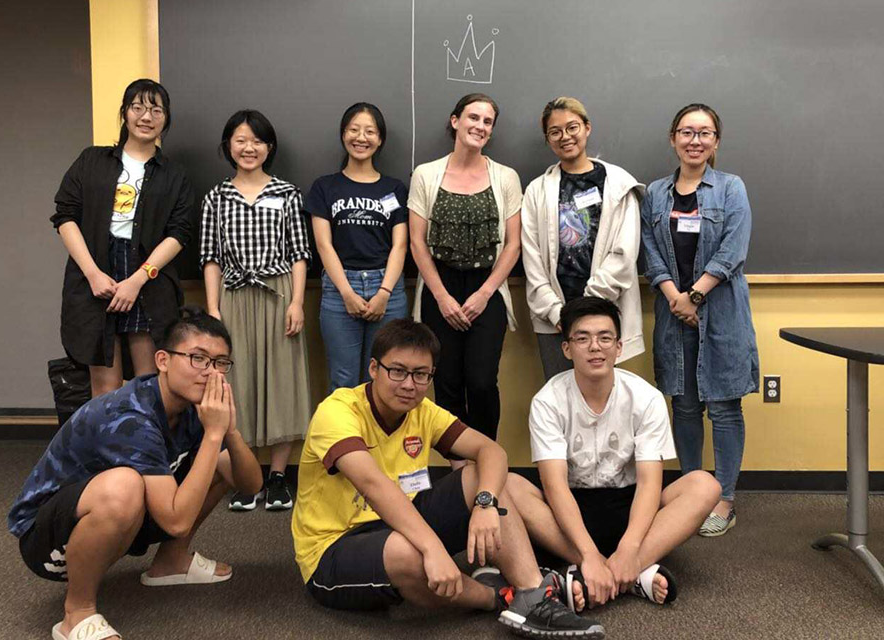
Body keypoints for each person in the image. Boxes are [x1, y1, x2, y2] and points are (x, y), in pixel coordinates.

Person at [292, 318, 604, 639]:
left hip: (399, 521)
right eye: (397, 371)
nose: (409, 384)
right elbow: (374, 486)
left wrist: (485, 504)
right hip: (332, 550)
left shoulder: (422, 411)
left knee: (480, 477)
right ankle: (497, 597)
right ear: (374, 369)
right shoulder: (338, 411)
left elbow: (491, 451)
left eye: (421, 374)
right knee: (407, 552)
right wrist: (431, 548)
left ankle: (532, 592)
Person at [8, 309, 263, 640]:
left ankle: (171, 562)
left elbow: (251, 484)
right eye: (197, 358)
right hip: (48, 542)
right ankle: (77, 613)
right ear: (162, 360)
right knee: (124, 485)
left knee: (213, 461)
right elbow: (176, 521)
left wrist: (228, 431)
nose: (210, 373)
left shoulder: (190, 407)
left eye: (220, 363)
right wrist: (213, 436)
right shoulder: (129, 417)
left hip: (124, 519)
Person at [506, 297, 721, 612]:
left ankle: (609, 571)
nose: (595, 347)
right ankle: (624, 574)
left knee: (705, 485)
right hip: (568, 517)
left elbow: (650, 484)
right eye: (583, 338)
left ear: (619, 347)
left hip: (631, 510)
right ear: (566, 349)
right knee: (509, 484)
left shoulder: (646, 398)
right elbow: (554, 486)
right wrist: (589, 553)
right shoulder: (547, 401)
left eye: (605, 337)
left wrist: (631, 547)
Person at [640, 103, 760, 537]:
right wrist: (676, 298)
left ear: (716, 142)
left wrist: (695, 295)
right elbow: (650, 251)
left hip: (721, 312)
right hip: (674, 316)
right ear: (673, 138)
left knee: (725, 407)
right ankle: (693, 493)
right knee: (684, 406)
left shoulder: (731, 188)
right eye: (687, 132)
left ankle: (724, 498)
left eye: (704, 133)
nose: (695, 140)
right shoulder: (655, 193)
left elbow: (734, 248)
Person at [200, 109, 314, 513]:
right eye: (240, 140)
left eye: (257, 141)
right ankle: (246, 478)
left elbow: (300, 254)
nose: (249, 148)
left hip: (279, 293)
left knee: (282, 380)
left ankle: (280, 476)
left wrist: (298, 301)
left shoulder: (286, 192)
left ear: (269, 147)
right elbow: (210, 258)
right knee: (238, 383)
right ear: (228, 146)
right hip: (233, 295)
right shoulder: (216, 197)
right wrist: (213, 309)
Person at [52, 78, 193, 399]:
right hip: (96, 272)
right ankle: (107, 450)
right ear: (125, 113)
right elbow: (65, 217)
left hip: (147, 277)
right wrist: (92, 274)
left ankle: (145, 450)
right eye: (138, 107)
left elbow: (179, 233)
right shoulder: (92, 160)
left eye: (156, 109)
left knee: (150, 385)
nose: (146, 116)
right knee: (105, 388)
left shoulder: (174, 174)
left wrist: (138, 280)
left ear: (166, 118)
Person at [408, 93, 522, 447]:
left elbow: (513, 244)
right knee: (446, 381)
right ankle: (459, 466)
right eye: (473, 117)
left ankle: (487, 458)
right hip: (439, 286)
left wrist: (484, 293)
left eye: (487, 121)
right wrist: (441, 297)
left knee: (482, 380)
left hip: (487, 288)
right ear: (455, 121)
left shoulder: (505, 177)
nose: (480, 126)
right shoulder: (426, 174)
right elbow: (417, 243)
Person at [521, 97, 645, 380]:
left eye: (572, 127)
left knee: (603, 402)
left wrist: (588, 308)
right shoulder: (536, 191)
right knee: (560, 400)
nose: (565, 137)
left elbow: (624, 253)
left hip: (604, 313)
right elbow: (532, 258)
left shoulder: (618, 184)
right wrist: (558, 314)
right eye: (555, 131)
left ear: (587, 128)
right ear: (548, 139)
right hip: (553, 319)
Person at [307, 102, 409, 392]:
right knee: (344, 381)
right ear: (343, 134)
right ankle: (346, 439)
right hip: (341, 291)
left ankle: (377, 439)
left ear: (380, 139)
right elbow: (324, 245)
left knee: (385, 380)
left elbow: (400, 245)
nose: (361, 138)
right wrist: (347, 293)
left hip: (387, 289)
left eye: (369, 131)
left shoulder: (394, 188)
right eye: (354, 129)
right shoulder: (324, 187)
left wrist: (384, 293)